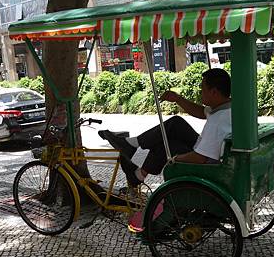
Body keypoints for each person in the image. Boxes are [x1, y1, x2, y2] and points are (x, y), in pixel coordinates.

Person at [99, 68, 232, 186]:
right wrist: (178, 99)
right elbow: (201, 112)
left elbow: (200, 158)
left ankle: (136, 169)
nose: (200, 92)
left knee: (168, 146)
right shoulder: (226, 107)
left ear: (214, 92)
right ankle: (133, 149)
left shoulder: (218, 121)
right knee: (176, 123)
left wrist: (174, 158)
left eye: (202, 89)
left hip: (207, 166)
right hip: (207, 154)